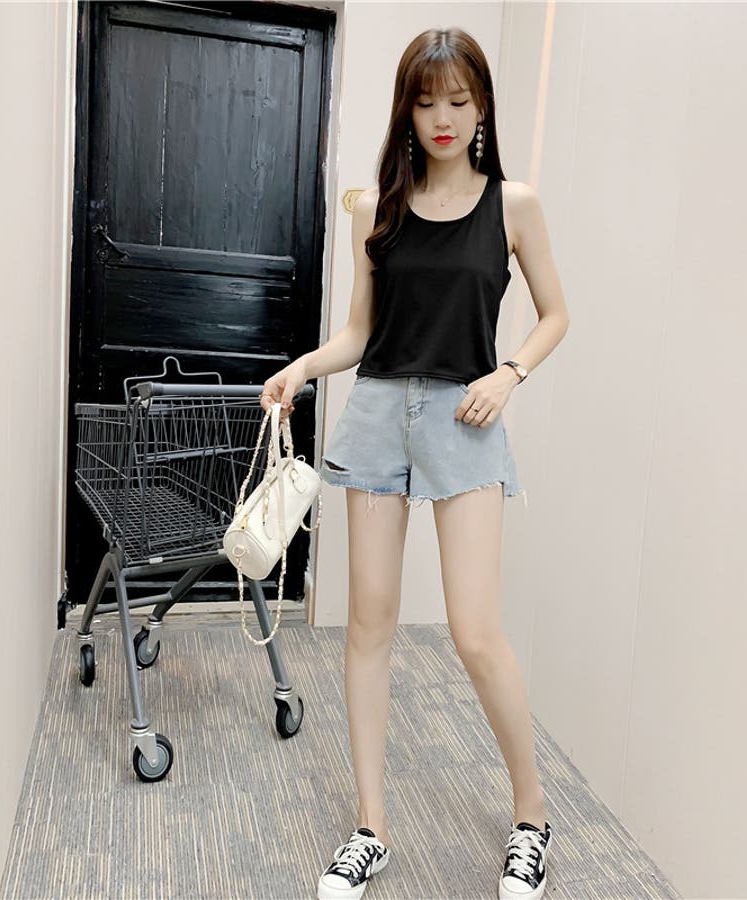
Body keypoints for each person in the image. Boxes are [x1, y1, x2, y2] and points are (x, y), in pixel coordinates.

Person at [260, 27, 568, 900]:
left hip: (463, 419)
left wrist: (509, 374)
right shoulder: (377, 209)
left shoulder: (513, 206)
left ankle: (533, 816)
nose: (443, 117)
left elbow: (556, 313)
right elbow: (360, 335)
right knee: (369, 625)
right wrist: (302, 368)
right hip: (376, 417)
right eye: (426, 100)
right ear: (407, 108)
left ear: (482, 107)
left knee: (474, 631)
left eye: (459, 100)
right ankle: (371, 828)